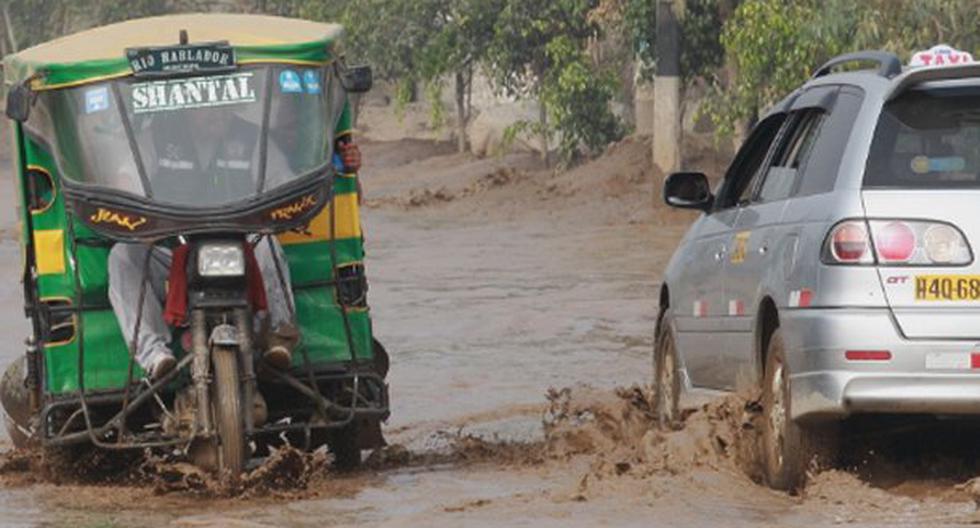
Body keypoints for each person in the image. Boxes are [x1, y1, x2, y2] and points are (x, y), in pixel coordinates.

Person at [108, 104, 362, 380]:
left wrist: (337, 169)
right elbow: (127, 179)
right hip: (176, 254)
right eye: (205, 109)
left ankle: (281, 334)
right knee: (123, 256)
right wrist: (138, 215)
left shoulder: (253, 140)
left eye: (221, 108)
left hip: (243, 250)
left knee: (267, 243)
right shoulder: (156, 139)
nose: (215, 114)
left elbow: (285, 184)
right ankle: (154, 354)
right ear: (186, 110)